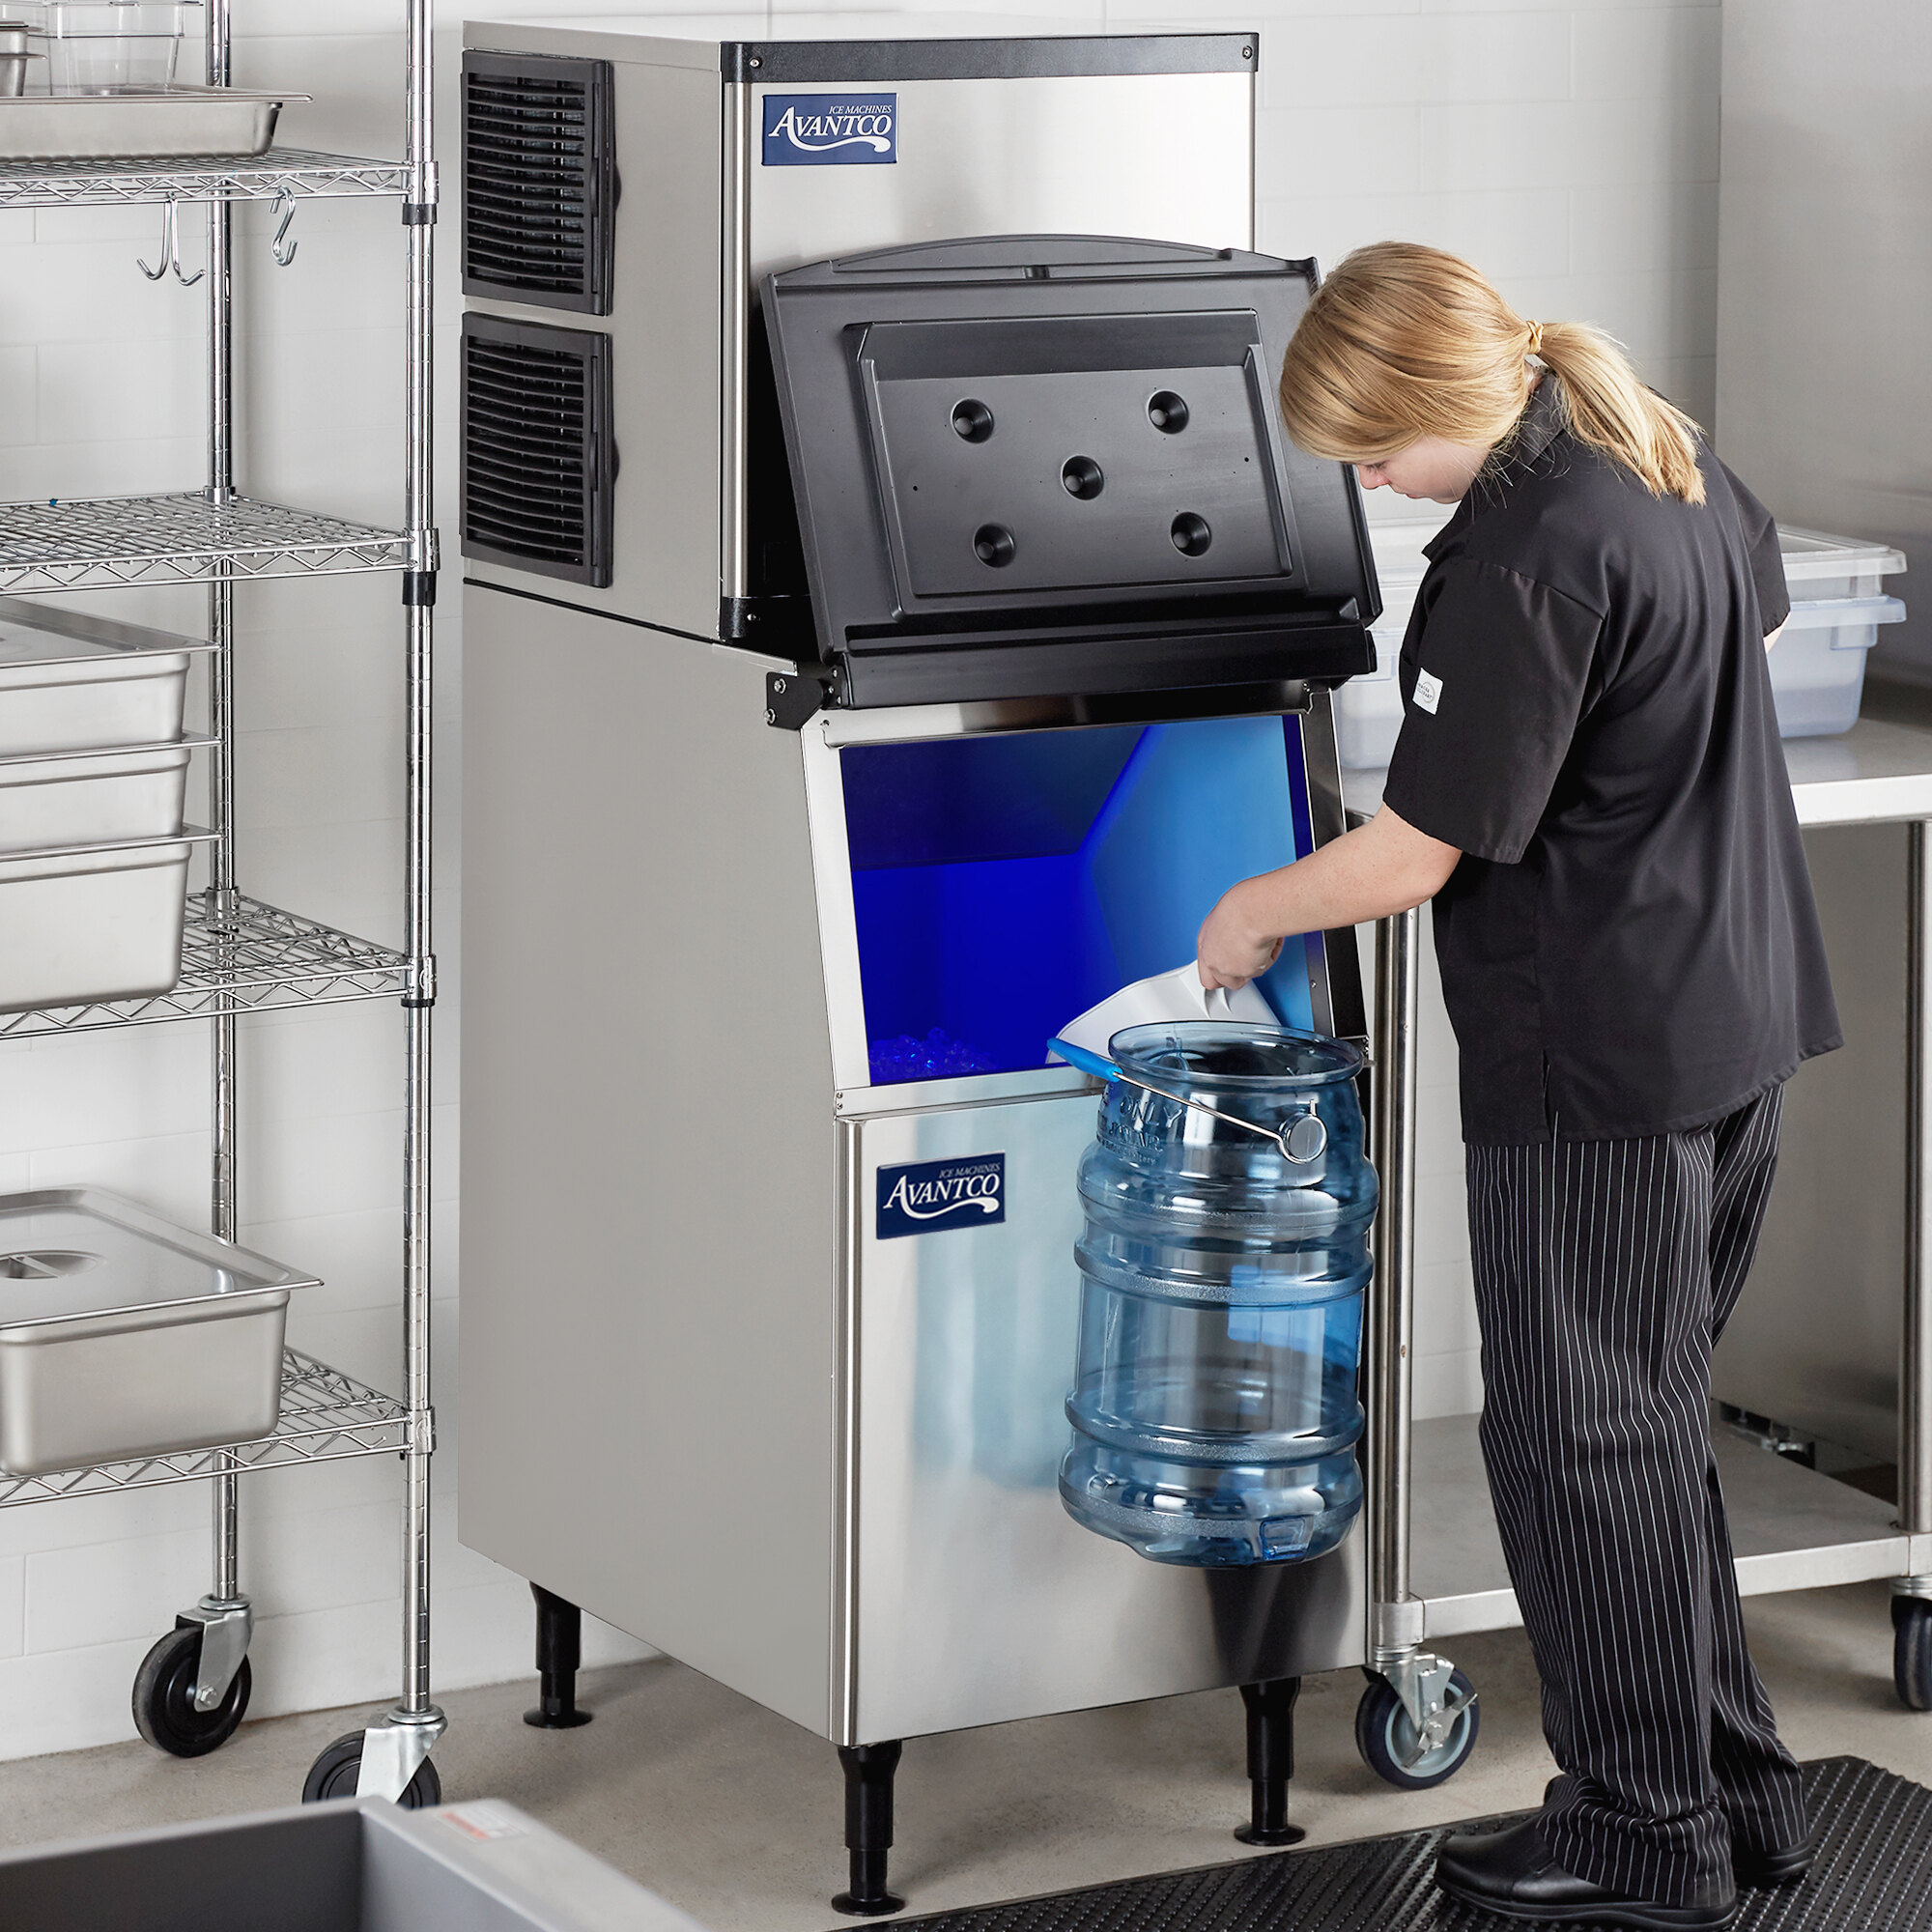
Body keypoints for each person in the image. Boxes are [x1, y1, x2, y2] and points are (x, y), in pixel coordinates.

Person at [1196, 242, 1840, 1932]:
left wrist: (1251, 906)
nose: (1366, 485)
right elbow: (1750, 613)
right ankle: (1734, 1794)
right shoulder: (1651, 448)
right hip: (1743, 1013)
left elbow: (1416, 853)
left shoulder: (1523, 553)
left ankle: (1642, 1835)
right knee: (1646, 1421)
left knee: (1575, 1440)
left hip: (1606, 1049)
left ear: (1433, 406)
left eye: (1369, 451)